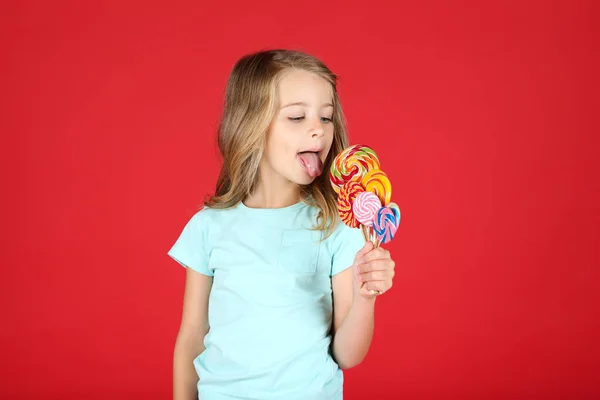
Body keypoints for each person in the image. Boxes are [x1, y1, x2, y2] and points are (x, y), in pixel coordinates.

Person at [168, 49, 396, 400]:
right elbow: (192, 337)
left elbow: (348, 355)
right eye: (296, 117)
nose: (317, 130)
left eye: (326, 117)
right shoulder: (208, 226)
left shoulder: (338, 226)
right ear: (251, 126)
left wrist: (366, 297)